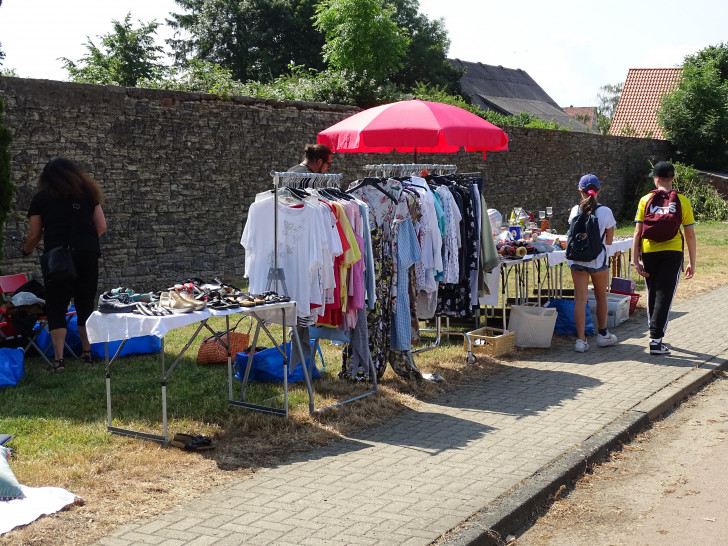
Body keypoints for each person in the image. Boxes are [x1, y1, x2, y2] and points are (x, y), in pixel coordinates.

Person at [21, 158, 107, 371]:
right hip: (88, 253)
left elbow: (34, 234)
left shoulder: (41, 199)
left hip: (58, 256)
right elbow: (101, 226)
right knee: (85, 304)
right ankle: (87, 354)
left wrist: (26, 250)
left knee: (57, 305)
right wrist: (82, 243)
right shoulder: (88, 195)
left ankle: (59, 361)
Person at [632, 161, 696, 355]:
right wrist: (692, 262)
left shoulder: (645, 200)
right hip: (673, 252)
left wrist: (636, 260)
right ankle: (656, 340)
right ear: (673, 178)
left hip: (649, 251)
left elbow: (637, 232)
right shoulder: (682, 200)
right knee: (664, 295)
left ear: (656, 178)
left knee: (653, 293)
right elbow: (690, 235)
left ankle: (654, 336)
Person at [567, 174, 618, 352]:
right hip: (597, 260)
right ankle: (603, 334)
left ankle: (581, 341)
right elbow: (609, 241)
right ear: (598, 190)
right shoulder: (606, 211)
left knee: (580, 299)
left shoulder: (575, 210)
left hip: (577, 258)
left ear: (580, 191)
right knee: (600, 296)